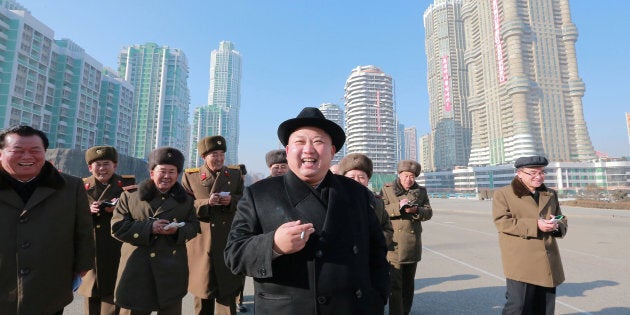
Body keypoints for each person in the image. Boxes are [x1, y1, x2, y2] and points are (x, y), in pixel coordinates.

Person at [225, 107, 390, 315]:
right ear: (287, 151)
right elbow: (234, 255)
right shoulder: (259, 194)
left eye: (319, 142)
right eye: (300, 142)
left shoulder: (357, 193)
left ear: (332, 151)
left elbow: (377, 250)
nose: (309, 149)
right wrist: (274, 245)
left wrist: (377, 298)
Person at [0, 125, 94, 314]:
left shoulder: (70, 186)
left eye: (35, 150)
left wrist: (83, 266)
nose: (27, 157)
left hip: (49, 287)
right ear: (1, 153)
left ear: (45, 152)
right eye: (17, 151)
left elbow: (83, 231)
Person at [111, 147, 200, 315]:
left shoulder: (186, 200)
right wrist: (149, 228)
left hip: (171, 270)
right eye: (162, 171)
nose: (167, 176)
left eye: (172, 172)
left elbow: (194, 226)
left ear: (178, 174)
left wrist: (177, 231)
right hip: (136, 269)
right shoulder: (131, 196)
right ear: (152, 173)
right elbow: (117, 227)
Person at [492, 156, 567, 315]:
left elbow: (561, 218)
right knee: (518, 306)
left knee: (544, 307)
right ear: (519, 173)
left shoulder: (550, 194)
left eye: (542, 172)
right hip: (521, 260)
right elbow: (502, 222)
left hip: (547, 259)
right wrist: (536, 225)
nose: (539, 177)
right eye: (533, 173)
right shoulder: (504, 194)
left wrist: (556, 225)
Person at [182, 136, 245, 315]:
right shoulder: (191, 176)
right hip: (201, 242)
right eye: (213, 154)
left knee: (227, 291)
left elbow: (244, 201)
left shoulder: (234, 174)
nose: (218, 158)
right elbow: (184, 206)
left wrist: (231, 201)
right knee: (203, 291)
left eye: (221, 154)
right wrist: (205, 203)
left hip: (227, 239)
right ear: (204, 156)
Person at [79, 146, 135, 315]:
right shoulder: (80, 186)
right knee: (91, 296)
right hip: (91, 249)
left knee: (114, 297)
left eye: (106, 164)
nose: (102, 168)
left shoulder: (127, 185)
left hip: (116, 248)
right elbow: (68, 214)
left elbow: (139, 213)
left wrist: (120, 209)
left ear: (115, 166)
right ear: (90, 167)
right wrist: (87, 211)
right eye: (97, 164)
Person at [380, 160, 432, 315]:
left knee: (408, 285)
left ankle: (405, 311)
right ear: (399, 175)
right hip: (394, 244)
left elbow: (428, 212)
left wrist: (416, 210)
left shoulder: (421, 192)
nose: (409, 179)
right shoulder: (387, 189)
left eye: (412, 177)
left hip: (412, 244)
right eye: (405, 176)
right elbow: (381, 209)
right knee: (395, 285)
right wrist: (398, 207)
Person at [337, 153, 394, 249]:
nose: (357, 181)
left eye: (361, 177)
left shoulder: (378, 203)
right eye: (352, 177)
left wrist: (375, 242)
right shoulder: (333, 201)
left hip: (371, 259)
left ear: (368, 180)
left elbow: (387, 229)